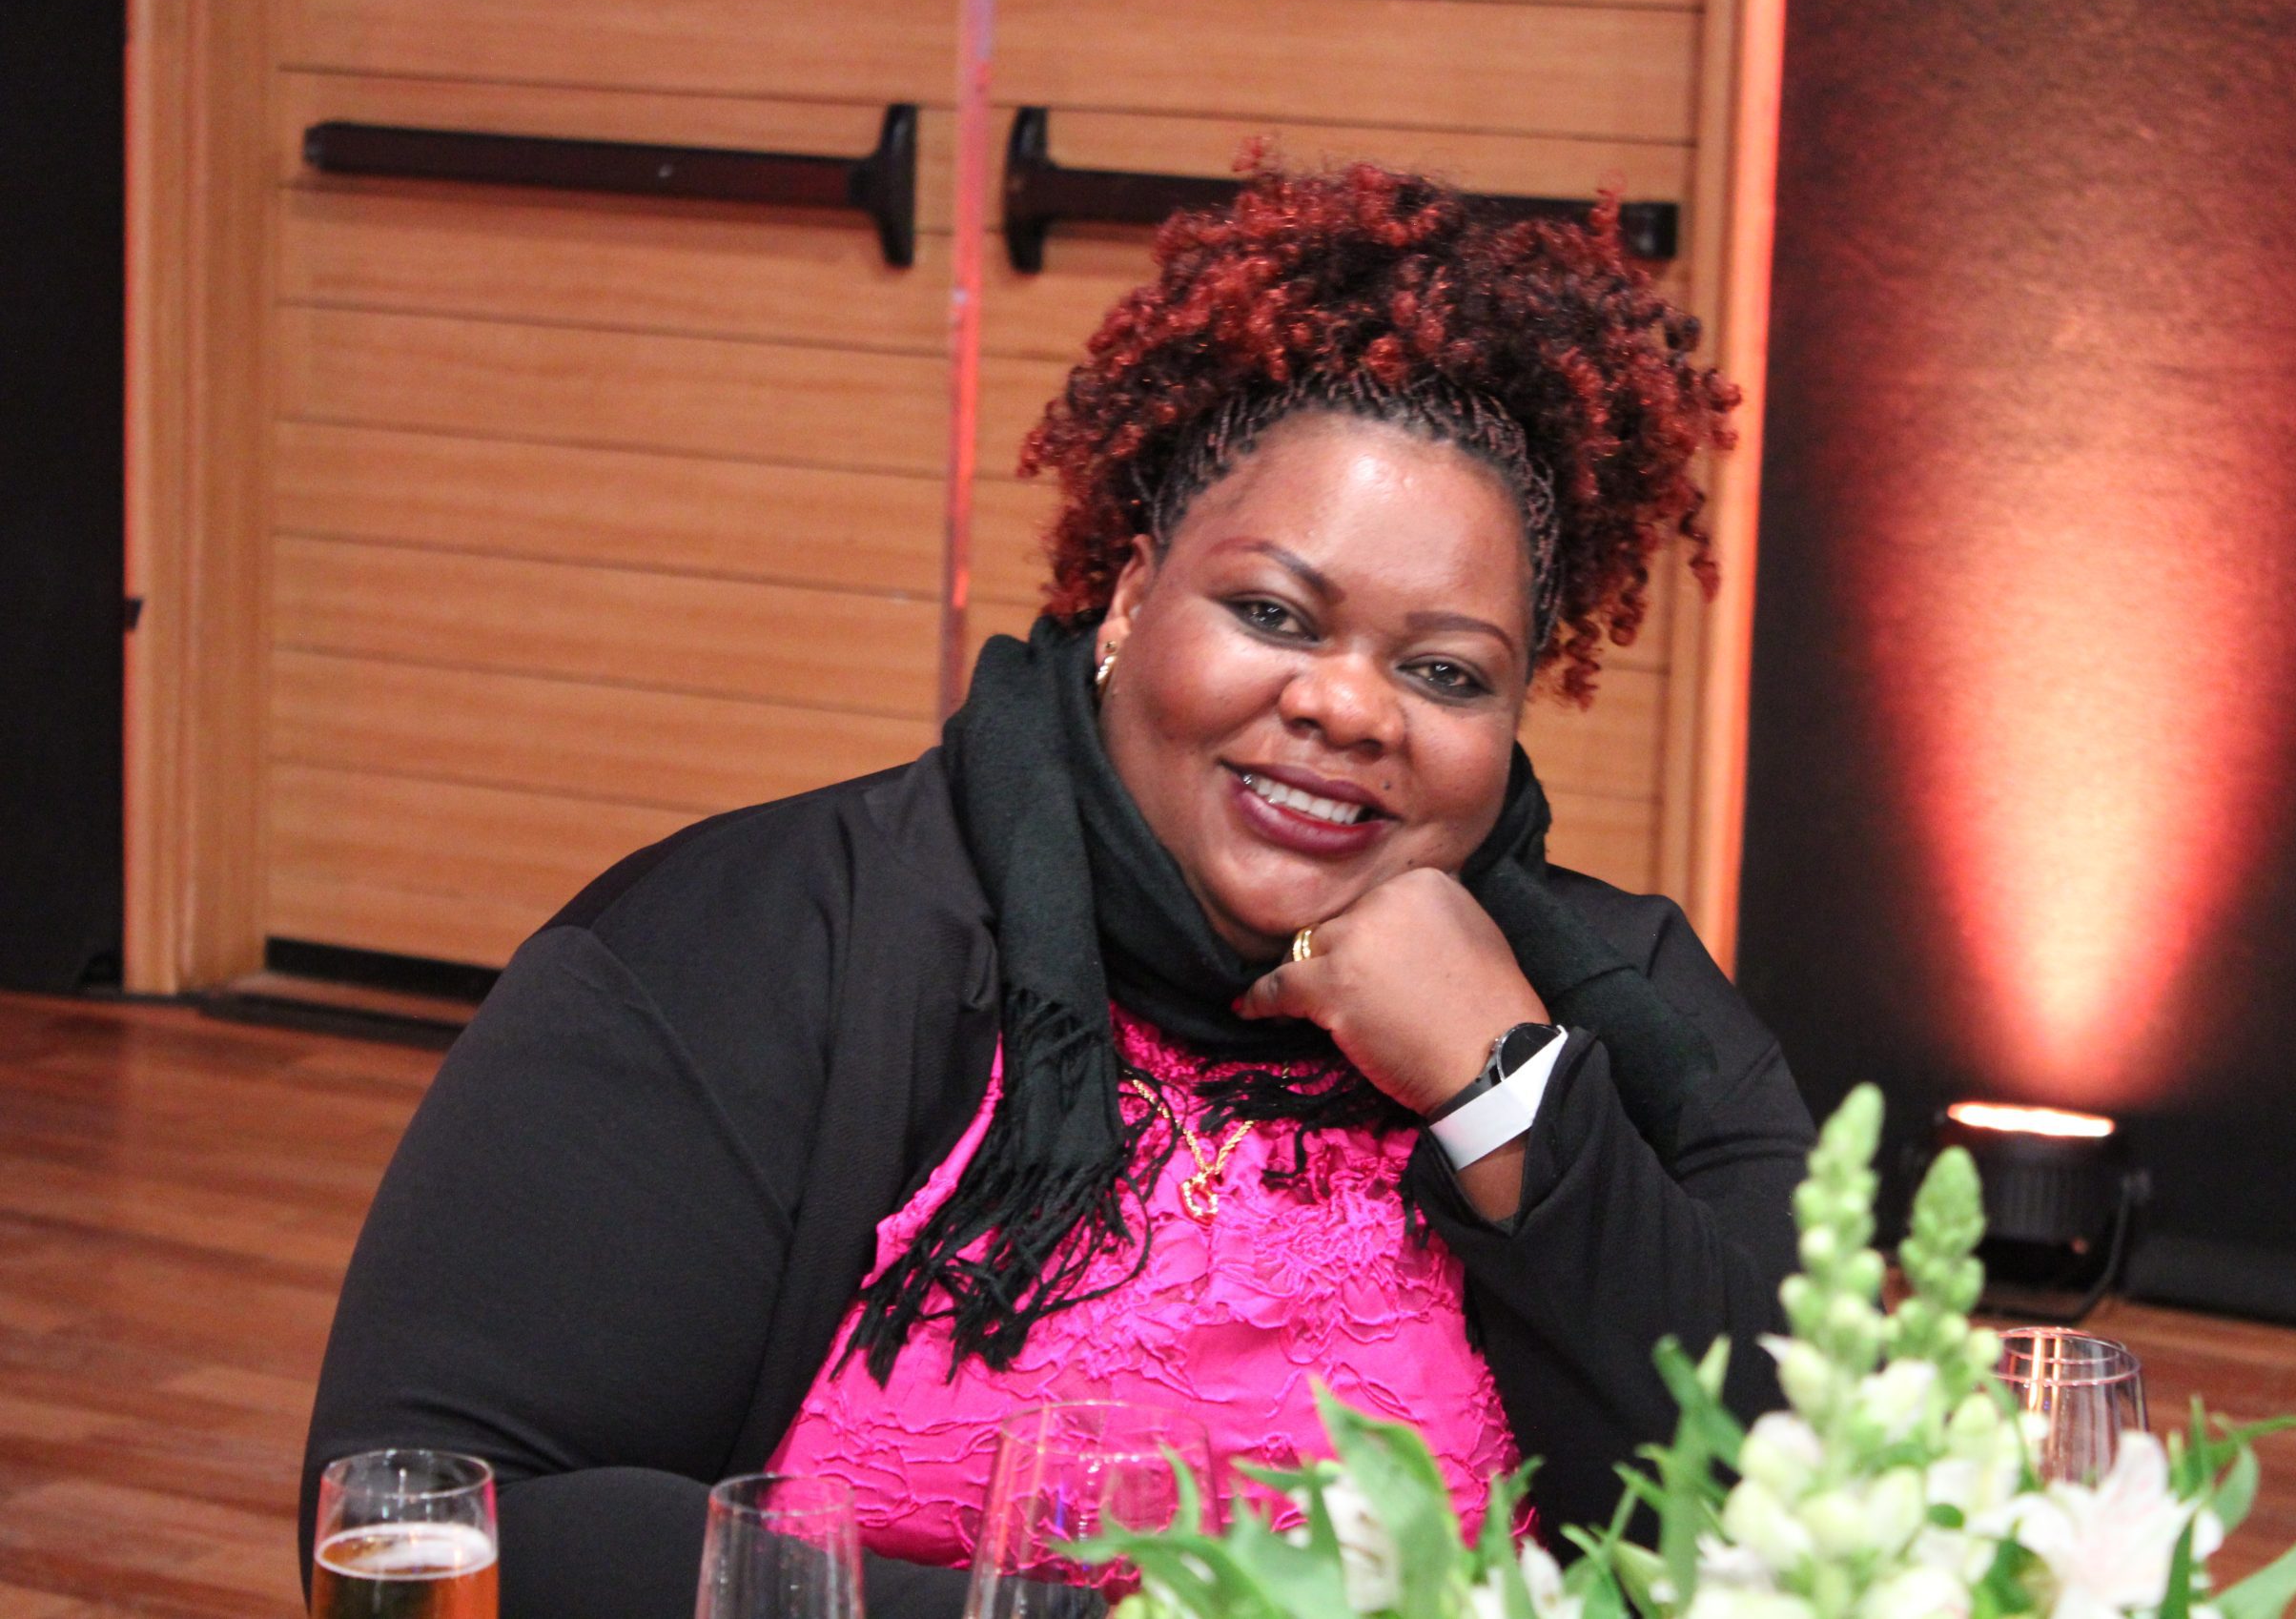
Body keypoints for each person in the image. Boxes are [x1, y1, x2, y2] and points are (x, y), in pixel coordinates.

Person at [300, 163, 1814, 1619]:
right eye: (1274, 612)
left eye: (1445, 672)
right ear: (1134, 594)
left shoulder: (1629, 1012)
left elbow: (1821, 1524)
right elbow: (444, 1519)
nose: (1351, 708)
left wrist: (1506, 1093)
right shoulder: (761, 940)